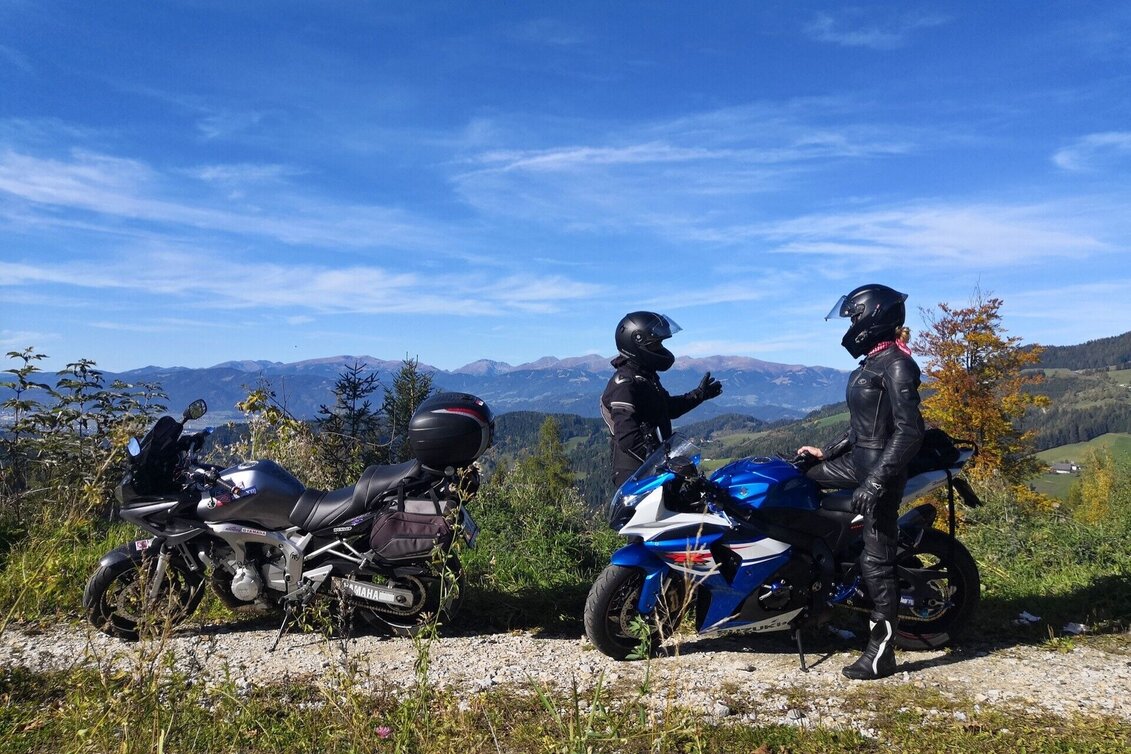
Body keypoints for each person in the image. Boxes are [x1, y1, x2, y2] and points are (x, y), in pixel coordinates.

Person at [797, 284, 925, 681]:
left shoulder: (898, 365)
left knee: (877, 556)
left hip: (881, 471)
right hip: (856, 462)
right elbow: (860, 428)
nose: (851, 323)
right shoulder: (873, 362)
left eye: (854, 316)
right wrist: (825, 453)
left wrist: (876, 484)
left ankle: (881, 652)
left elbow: (910, 432)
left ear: (873, 317)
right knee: (790, 481)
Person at [600, 311, 723, 487]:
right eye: (656, 344)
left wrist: (699, 395)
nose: (660, 349)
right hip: (636, 475)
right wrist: (659, 461)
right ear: (637, 342)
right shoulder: (625, 384)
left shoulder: (644, 377)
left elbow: (668, 408)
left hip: (653, 468)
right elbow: (627, 437)